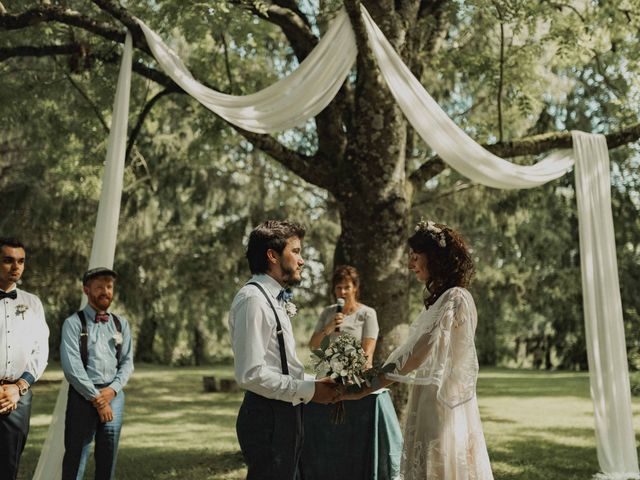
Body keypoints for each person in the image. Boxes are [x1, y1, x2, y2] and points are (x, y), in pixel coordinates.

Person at [341, 220, 493, 480]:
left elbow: (420, 352)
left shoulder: (456, 298)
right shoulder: (439, 301)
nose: (411, 264)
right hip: (425, 396)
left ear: (434, 258)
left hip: (442, 401)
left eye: (415, 257)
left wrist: (370, 384)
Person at [229, 220, 339, 480]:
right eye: (296, 251)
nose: (302, 261)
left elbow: (282, 364)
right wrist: (310, 391)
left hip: (286, 412)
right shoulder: (253, 300)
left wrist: (317, 382)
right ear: (272, 255)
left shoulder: (274, 298)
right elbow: (251, 374)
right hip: (268, 418)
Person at [60, 267, 134, 480]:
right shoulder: (73, 323)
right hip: (83, 397)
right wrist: (98, 400)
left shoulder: (121, 324)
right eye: (99, 287)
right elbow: (72, 367)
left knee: (108, 457)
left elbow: (127, 363)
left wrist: (112, 390)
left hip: (114, 397)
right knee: (76, 455)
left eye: (109, 287)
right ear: (86, 290)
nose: (105, 291)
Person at [0, 237, 49, 480]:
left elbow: (40, 351)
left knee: (9, 465)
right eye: (8, 260)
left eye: (20, 261)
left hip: (18, 396)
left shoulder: (33, 303)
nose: (15, 267)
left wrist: (18, 387)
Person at [309, 265, 379, 368]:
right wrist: (329, 327)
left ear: (355, 288)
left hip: (355, 374)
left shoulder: (367, 313)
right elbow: (313, 346)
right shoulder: (327, 312)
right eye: (339, 287)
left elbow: (367, 355)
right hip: (328, 373)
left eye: (347, 287)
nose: (342, 292)